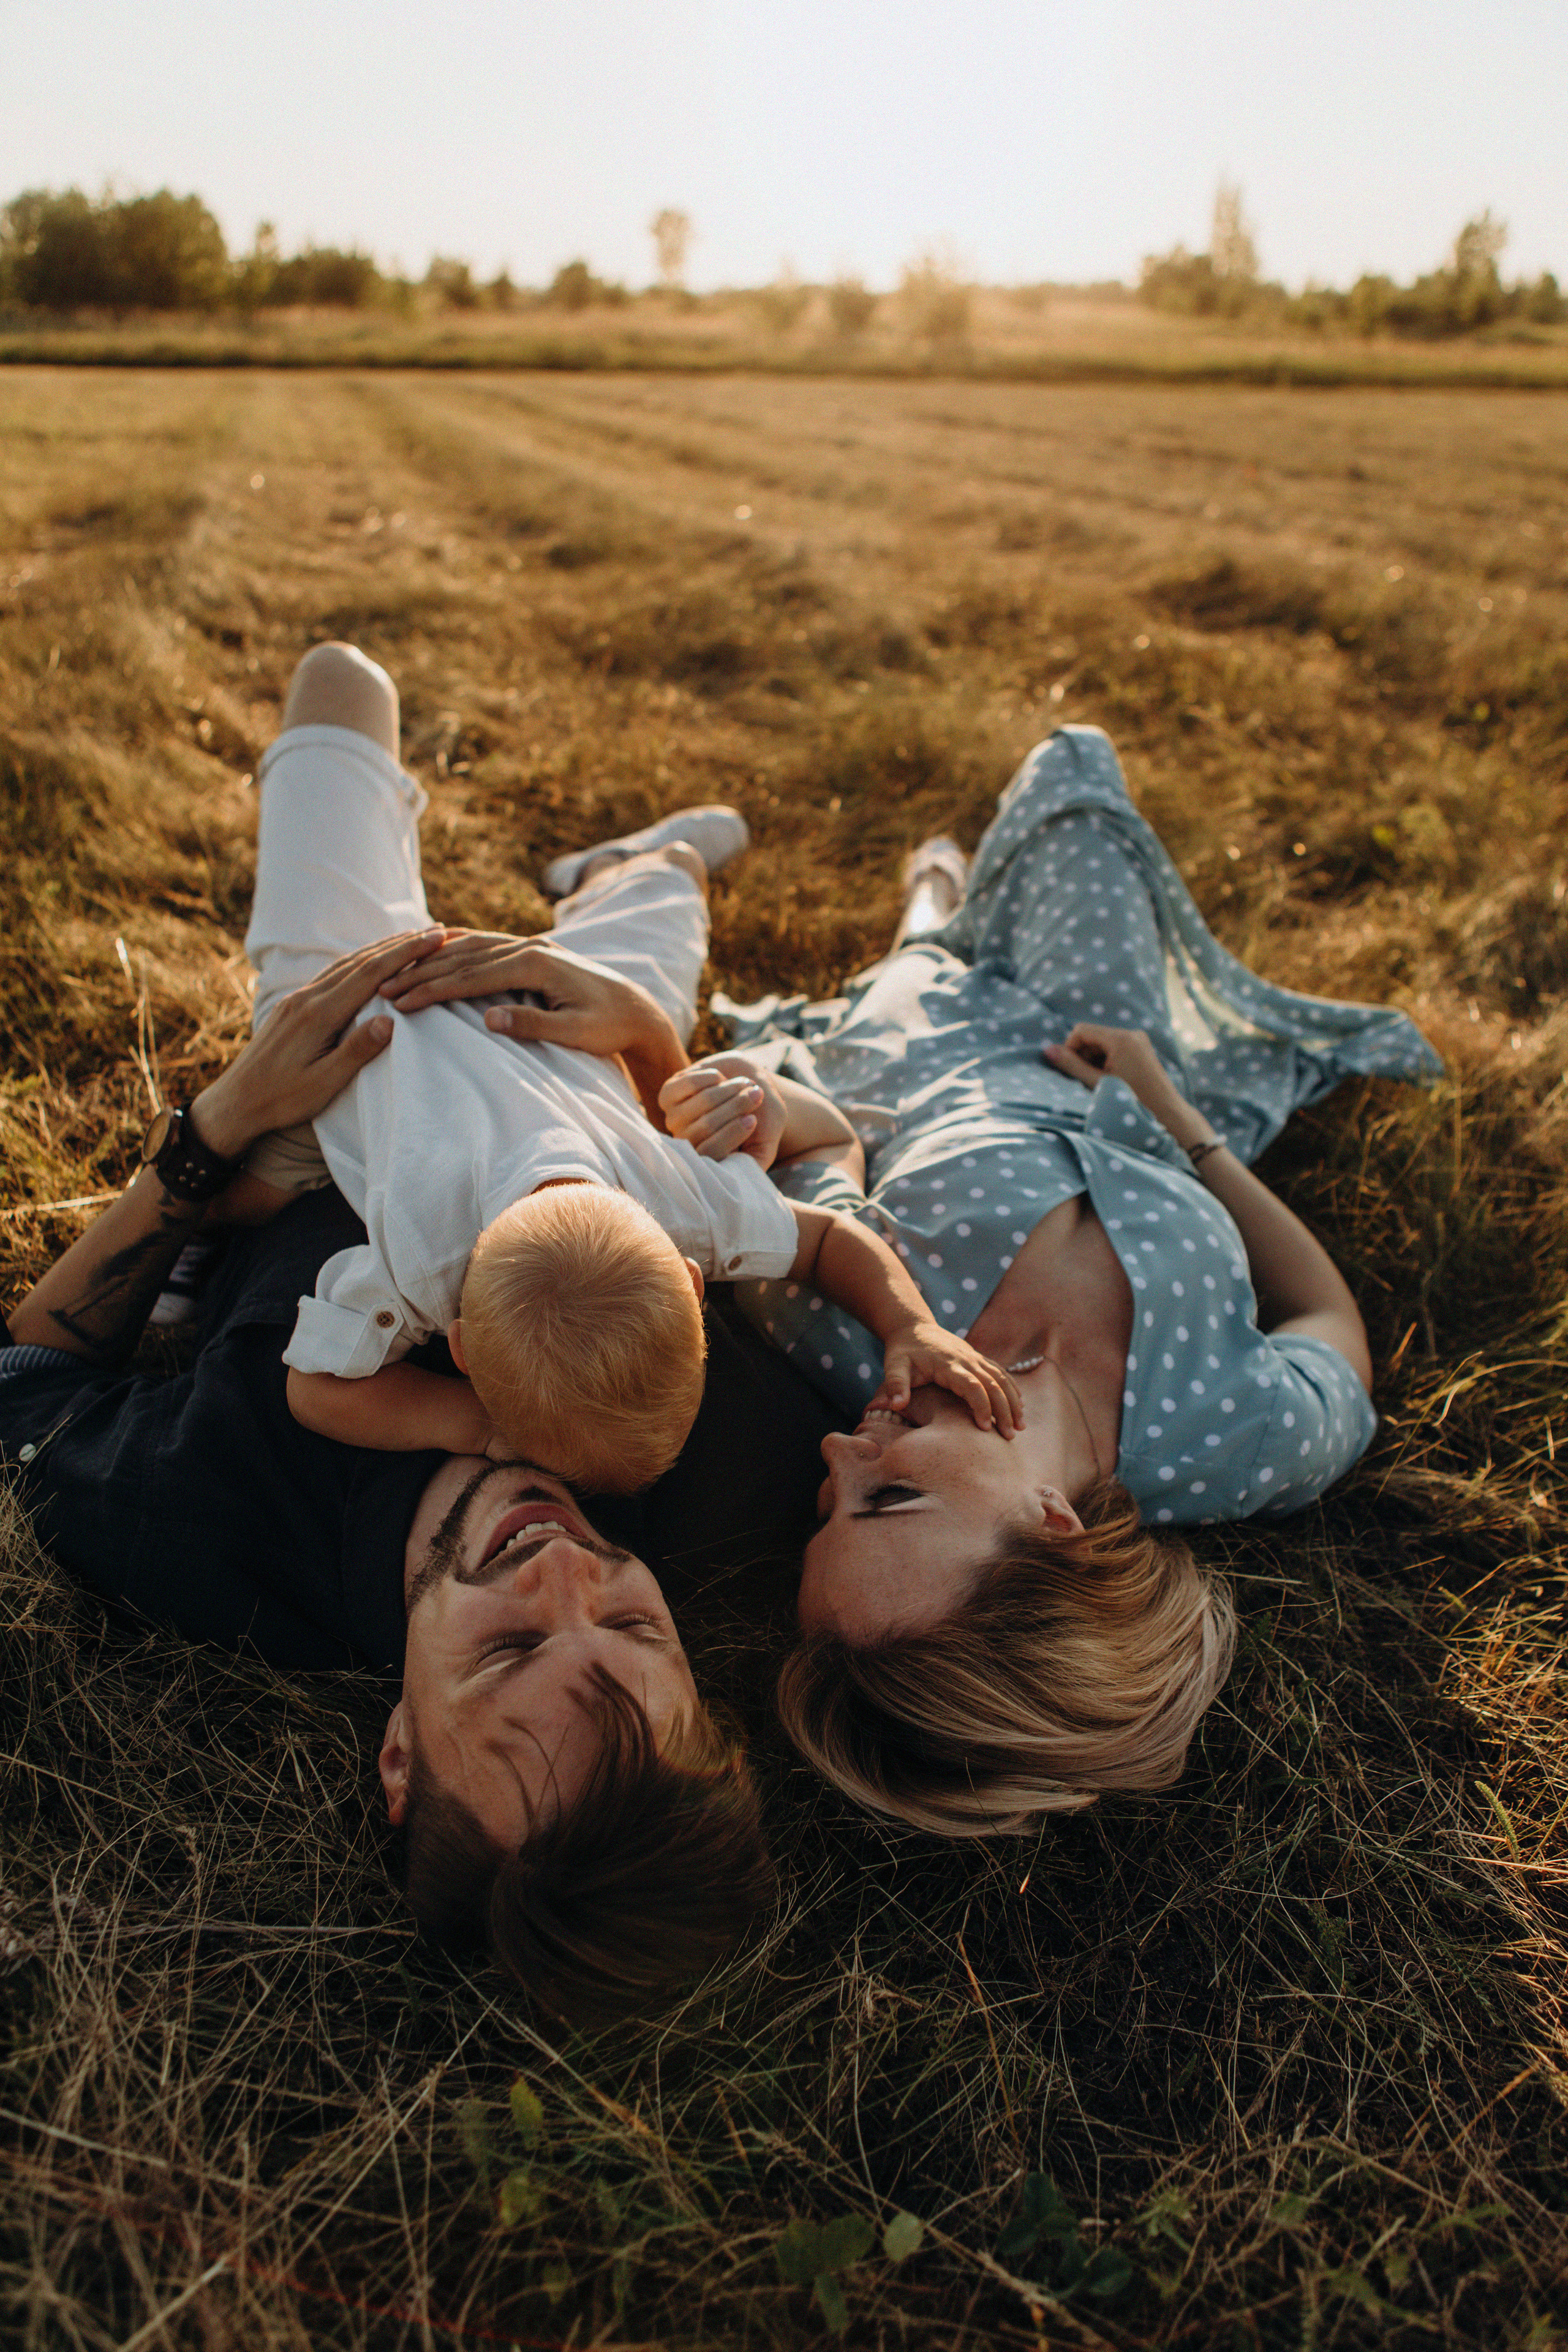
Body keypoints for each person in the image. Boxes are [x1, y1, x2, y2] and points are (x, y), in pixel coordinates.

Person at [0, 657, 837, 2019]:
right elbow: (821, 1165)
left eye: (509, 1653)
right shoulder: (738, 1450)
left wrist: (210, 1137)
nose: (563, 1567)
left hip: (355, 1035)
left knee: (340, 683)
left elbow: (27, 1376)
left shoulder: (208, 1523)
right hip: (573, 1062)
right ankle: (643, 865)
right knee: (659, 924)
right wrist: (646, 1040)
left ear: (400, 1757)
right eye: (632, 1620)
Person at [703, 724, 1442, 1836]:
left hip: (910, 1049)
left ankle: (931, 905)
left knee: (913, 972)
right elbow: (1326, 1316)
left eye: (824, 1504)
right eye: (888, 1494)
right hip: (1108, 1056)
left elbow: (831, 1145)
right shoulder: (1239, 1439)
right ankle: (936, 903)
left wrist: (766, 1113)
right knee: (1076, 767)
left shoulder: (851, 1331)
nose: (838, 1450)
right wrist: (1178, 1116)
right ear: (1052, 1525)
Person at [255, 650, 1019, 1488]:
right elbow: (315, 1386)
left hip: (354, 994)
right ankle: (636, 869)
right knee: (667, 895)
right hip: (476, 1014)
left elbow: (831, 1242)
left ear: (693, 1286)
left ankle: (623, 872)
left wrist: (914, 1327)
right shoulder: (426, 1266)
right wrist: (466, 1423)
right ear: (695, 1283)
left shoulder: (674, 1207)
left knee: (344, 680)